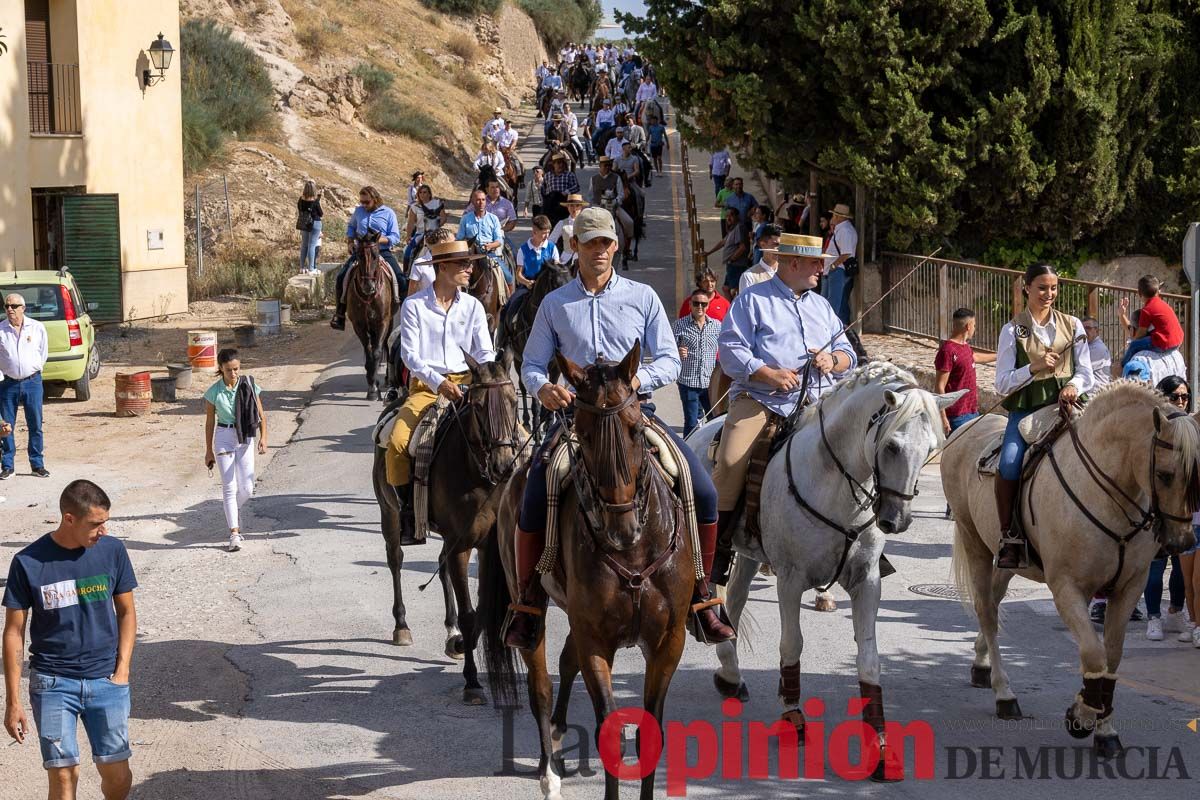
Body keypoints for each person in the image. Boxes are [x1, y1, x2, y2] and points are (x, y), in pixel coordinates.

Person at [504, 207, 735, 650]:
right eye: (590, 243)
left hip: (634, 416)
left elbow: (668, 358)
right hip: (579, 421)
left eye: (606, 242)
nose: (600, 250)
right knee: (535, 490)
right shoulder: (555, 304)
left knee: (701, 489)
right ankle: (528, 601)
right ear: (575, 247)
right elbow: (532, 363)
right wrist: (542, 389)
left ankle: (704, 597)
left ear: (616, 245)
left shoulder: (642, 297)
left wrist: (636, 381)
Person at [710, 233, 857, 585]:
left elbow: (849, 354)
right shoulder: (752, 301)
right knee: (730, 461)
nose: (821, 270)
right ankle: (718, 549)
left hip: (819, 399)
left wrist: (832, 359)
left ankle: (861, 541)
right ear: (793, 264)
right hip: (763, 399)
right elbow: (731, 349)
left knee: (862, 451)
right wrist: (767, 373)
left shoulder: (821, 307)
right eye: (814, 263)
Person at [4, 480, 137, 800]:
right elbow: (13, 632)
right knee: (63, 777)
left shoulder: (113, 551)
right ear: (69, 519)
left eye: (106, 522)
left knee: (117, 776)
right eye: (95, 524)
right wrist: (13, 701)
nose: (103, 530)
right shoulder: (28, 562)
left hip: (106, 680)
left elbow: (127, 613)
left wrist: (123, 670)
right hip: (52, 683)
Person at [386, 240, 495, 547]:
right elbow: (410, 355)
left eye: (469, 263)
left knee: (510, 436)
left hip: (468, 382)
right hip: (427, 388)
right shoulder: (415, 306)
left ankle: (508, 502)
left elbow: (484, 348)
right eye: (463, 264)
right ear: (441, 268)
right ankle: (409, 513)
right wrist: (440, 383)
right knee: (397, 444)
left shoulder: (473, 305)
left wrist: (487, 374)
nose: (469, 268)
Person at [993, 264, 1093, 570]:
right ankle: (1009, 536)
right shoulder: (1013, 329)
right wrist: (1033, 367)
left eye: (1053, 288)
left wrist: (1074, 386)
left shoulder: (1073, 324)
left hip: (1067, 407)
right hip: (1027, 411)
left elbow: (1086, 371)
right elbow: (1001, 382)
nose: (1048, 294)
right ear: (1026, 288)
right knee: (1009, 463)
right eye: (1041, 288)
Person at [1144, 376, 1193, 641]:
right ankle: (1154, 617)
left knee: (1181, 566)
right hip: (1157, 510)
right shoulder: (1154, 431)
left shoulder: (1191, 428)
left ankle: (1176, 610)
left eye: (1185, 396)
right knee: (1155, 566)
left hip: (1183, 510)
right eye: (1175, 397)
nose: (1181, 401)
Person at [203, 348, 267, 552]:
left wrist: (264, 437)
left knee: (247, 488)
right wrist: (208, 450)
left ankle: (232, 510)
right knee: (229, 486)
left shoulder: (249, 385)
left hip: (245, 436)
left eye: (236, 369)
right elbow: (209, 422)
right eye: (229, 370)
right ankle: (234, 532)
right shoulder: (213, 392)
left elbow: (261, 414)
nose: (234, 374)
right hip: (224, 436)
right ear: (221, 369)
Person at [330, 186, 403, 331]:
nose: (364, 205)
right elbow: (351, 227)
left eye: (366, 202)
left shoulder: (388, 213)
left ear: (375, 200)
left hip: (381, 252)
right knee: (341, 277)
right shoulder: (358, 211)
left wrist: (377, 241)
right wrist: (350, 242)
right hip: (361, 253)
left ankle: (405, 313)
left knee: (401, 280)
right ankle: (340, 314)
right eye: (362, 202)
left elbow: (395, 237)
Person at [1, 293, 50, 480]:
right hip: (8, 383)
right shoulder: (1, 330)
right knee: (6, 426)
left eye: (14, 306)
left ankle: (37, 464)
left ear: (23, 308)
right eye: (7, 306)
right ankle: (7, 465)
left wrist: (33, 369)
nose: (10, 310)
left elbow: (42, 353)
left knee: (35, 424)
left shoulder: (37, 328)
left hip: (32, 382)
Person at [934, 308, 996, 435]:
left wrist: (1000, 355)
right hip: (956, 417)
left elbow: (975, 357)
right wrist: (943, 417)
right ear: (968, 326)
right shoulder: (947, 351)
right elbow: (939, 386)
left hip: (972, 412)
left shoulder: (964, 346)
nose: (975, 328)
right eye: (974, 325)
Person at [672, 289, 721, 436]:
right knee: (692, 423)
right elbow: (667, 352)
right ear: (690, 305)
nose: (700, 307)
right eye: (696, 303)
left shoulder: (717, 326)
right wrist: (677, 352)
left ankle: (712, 451)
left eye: (703, 304)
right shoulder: (679, 325)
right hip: (688, 383)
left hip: (710, 383)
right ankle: (688, 454)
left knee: (715, 420)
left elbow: (726, 349)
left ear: (708, 305)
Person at [1119, 276, 1184, 367]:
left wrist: (1133, 340)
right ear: (1158, 292)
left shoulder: (1147, 310)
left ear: (1139, 293)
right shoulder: (1163, 304)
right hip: (1178, 341)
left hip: (1165, 343)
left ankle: (1122, 366)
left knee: (1134, 345)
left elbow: (1140, 334)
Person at [457, 189, 511, 290]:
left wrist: (490, 245)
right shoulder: (465, 219)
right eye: (477, 200)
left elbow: (499, 240)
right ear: (472, 202)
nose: (481, 202)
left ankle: (508, 302)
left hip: (489, 254)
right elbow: (459, 239)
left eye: (483, 200)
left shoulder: (493, 219)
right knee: (455, 277)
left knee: (508, 277)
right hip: (471, 256)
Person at [822, 203, 858, 324]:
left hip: (838, 270)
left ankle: (833, 329)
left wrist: (833, 266)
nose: (833, 217)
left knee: (834, 304)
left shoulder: (845, 231)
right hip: (835, 270)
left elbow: (846, 253)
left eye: (835, 215)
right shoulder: (842, 229)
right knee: (832, 302)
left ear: (838, 216)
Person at [511, 215, 560, 305]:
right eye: (543, 233)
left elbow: (557, 269)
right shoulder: (523, 250)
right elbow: (518, 274)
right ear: (534, 232)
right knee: (512, 303)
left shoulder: (552, 248)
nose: (546, 236)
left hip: (548, 286)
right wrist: (527, 282)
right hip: (528, 285)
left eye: (548, 232)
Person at [705, 208, 751, 300]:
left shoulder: (739, 227)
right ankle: (730, 308)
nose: (728, 218)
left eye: (731, 215)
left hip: (737, 265)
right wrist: (709, 252)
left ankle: (735, 309)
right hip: (732, 264)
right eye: (727, 216)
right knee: (726, 288)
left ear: (737, 216)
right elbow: (723, 242)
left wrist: (732, 259)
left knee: (736, 290)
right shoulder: (733, 228)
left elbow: (742, 247)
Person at [404, 184, 447, 268]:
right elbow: (410, 223)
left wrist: (435, 226)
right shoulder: (415, 207)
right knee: (408, 252)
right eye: (420, 192)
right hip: (420, 233)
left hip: (436, 232)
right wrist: (408, 236)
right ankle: (406, 273)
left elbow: (444, 217)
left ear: (429, 194)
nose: (422, 194)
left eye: (425, 192)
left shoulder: (437, 203)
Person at [406, 226, 454, 299]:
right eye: (453, 242)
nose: (455, 245)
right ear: (443, 243)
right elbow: (411, 294)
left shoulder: (453, 263)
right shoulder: (419, 264)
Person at [739, 224, 782, 293]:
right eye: (775, 244)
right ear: (763, 245)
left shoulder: (788, 274)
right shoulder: (749, 276)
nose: (779, 249)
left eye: (782, 245)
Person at [548, 194, 587, 265]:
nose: (574, 209)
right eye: (571, 205)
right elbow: (550, 242)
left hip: (584, 260)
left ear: (581, 207)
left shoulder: (586, 223)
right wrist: (555, 257)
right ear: (568, 207)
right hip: (566, 260)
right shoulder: (562, 223)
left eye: (577, 205)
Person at [297, 180, 323, 274]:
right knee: (312, 245)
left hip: (304, 223)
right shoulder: (315, 201)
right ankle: (311, 268)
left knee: (304, 245)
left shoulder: (301, 199)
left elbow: (299, 209)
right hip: (315, 223)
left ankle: (302, 267)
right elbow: (320, 213)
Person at [1081, 316, 1112, 390]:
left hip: (1096, 395)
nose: (1084, 331)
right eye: (1082, 328)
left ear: (1097, 331)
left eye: (1088, 328)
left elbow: (1082, 369)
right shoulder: (1087, 345)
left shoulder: (1097, 348)